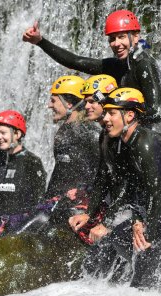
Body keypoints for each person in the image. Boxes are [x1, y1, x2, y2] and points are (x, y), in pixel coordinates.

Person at [69, 88, 161, 288]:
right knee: (119, 236)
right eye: (105, 112)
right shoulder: (123, 143)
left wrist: (147, 232)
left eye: (112, 113)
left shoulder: (145, 144)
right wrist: (125, 220)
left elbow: (156, 193)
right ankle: (146, 282)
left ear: (130, 115)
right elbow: (131, 189)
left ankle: (159, 284)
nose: (106, 118)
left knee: (144, 244)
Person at [22, 9, 161, 125]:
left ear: (136, 37)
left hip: (145, 135)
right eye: (112, 39)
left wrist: (121, 119)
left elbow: (156, 111)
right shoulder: (117, 65)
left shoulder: (143, 64)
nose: (116, 43)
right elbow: (75, 61)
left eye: (121, 37)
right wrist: (40, 41)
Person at [0, 110, 47, 244]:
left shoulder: (32, 161)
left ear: (17, 134)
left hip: (22, 230)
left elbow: (40, 202)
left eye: (3, 133)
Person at [43, 75, 101, 224]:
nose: (49, 105)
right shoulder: (64, 129)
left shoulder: (89, 131)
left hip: (76, 209)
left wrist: (85, 197)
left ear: (68, 103)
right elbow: (60, 171)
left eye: (53, 100)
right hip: (56, 204)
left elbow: (102, 172)